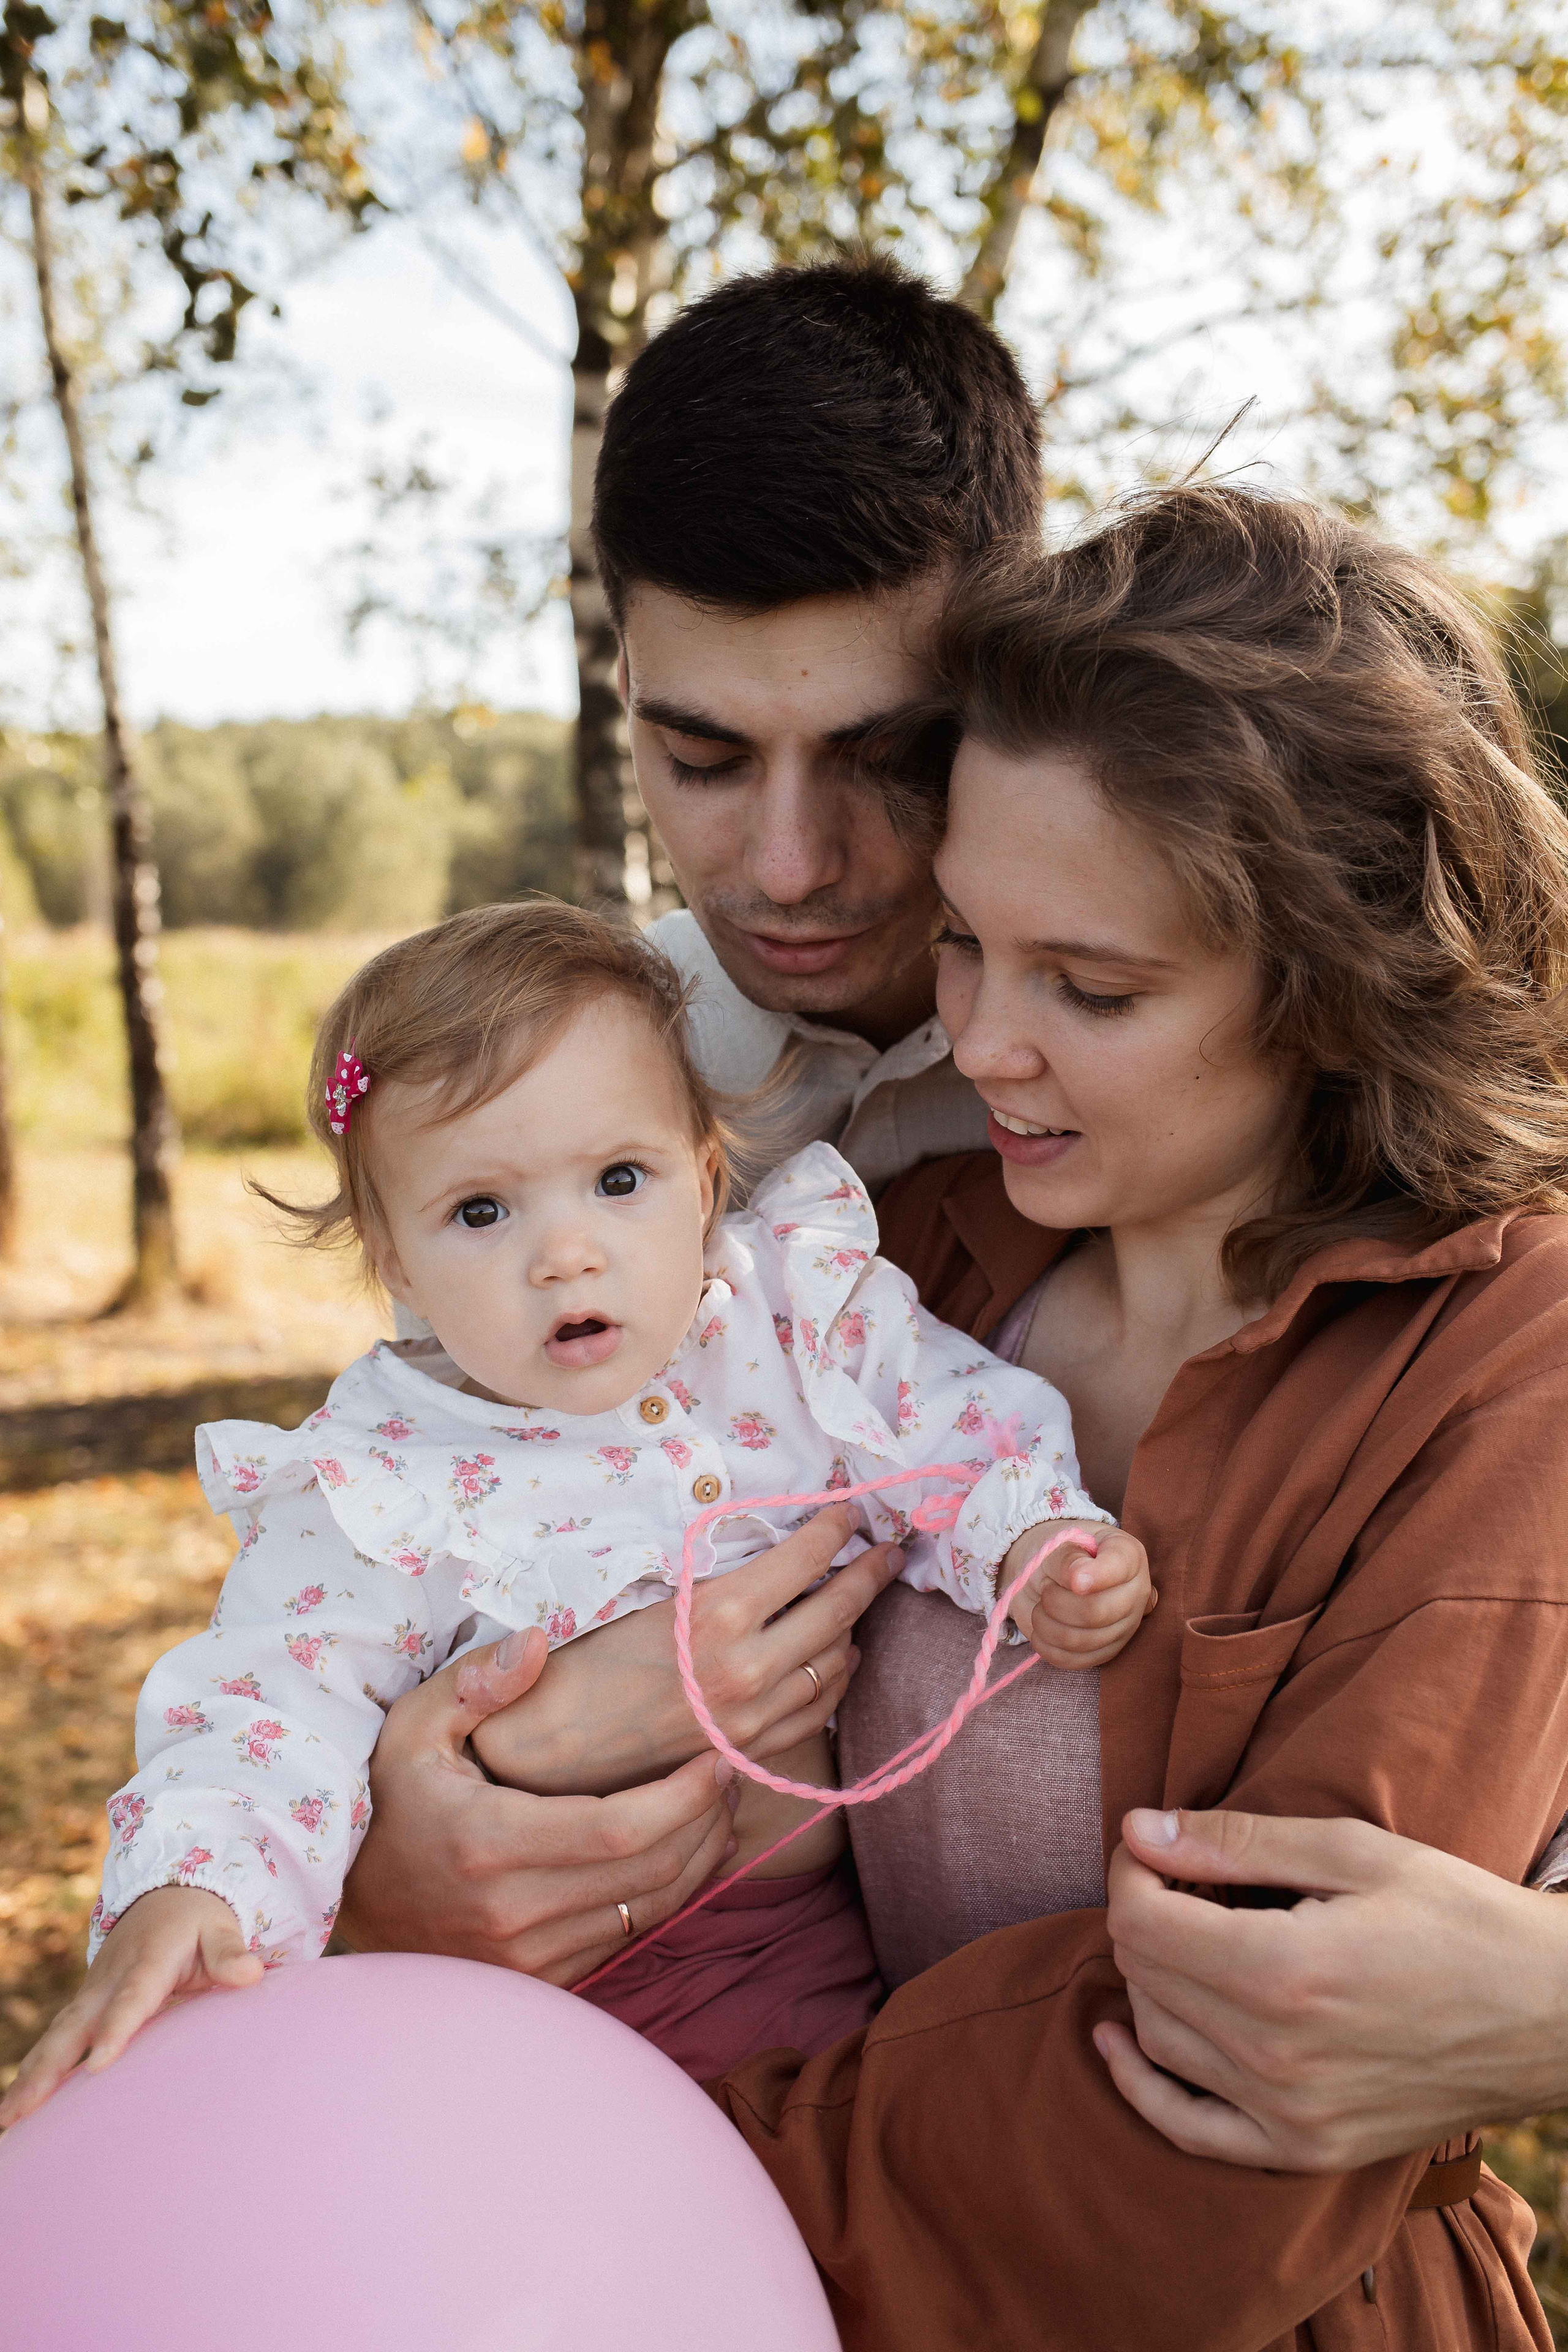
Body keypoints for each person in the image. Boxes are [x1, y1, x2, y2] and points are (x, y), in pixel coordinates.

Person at [0, 899, 1153, 2125]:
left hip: (807, 1944)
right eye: (482, 1212)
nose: (566, 1254)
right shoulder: (380, 1478)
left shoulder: (784, 1324)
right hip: (534, 1987)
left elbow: (943, 1414)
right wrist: (197, 1890)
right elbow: (266, 1703)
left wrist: (1028, 1539)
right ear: (392, 1257)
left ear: (703, 1182)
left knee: (856, 2193)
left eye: (617, 1181)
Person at [336, 254, 1057, 1987]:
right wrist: (395, 1859)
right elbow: (423, 1555)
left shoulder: (1165, 1069)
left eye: (887, 753)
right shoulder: (571, 1096)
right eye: (706, 761)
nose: (790, 867)